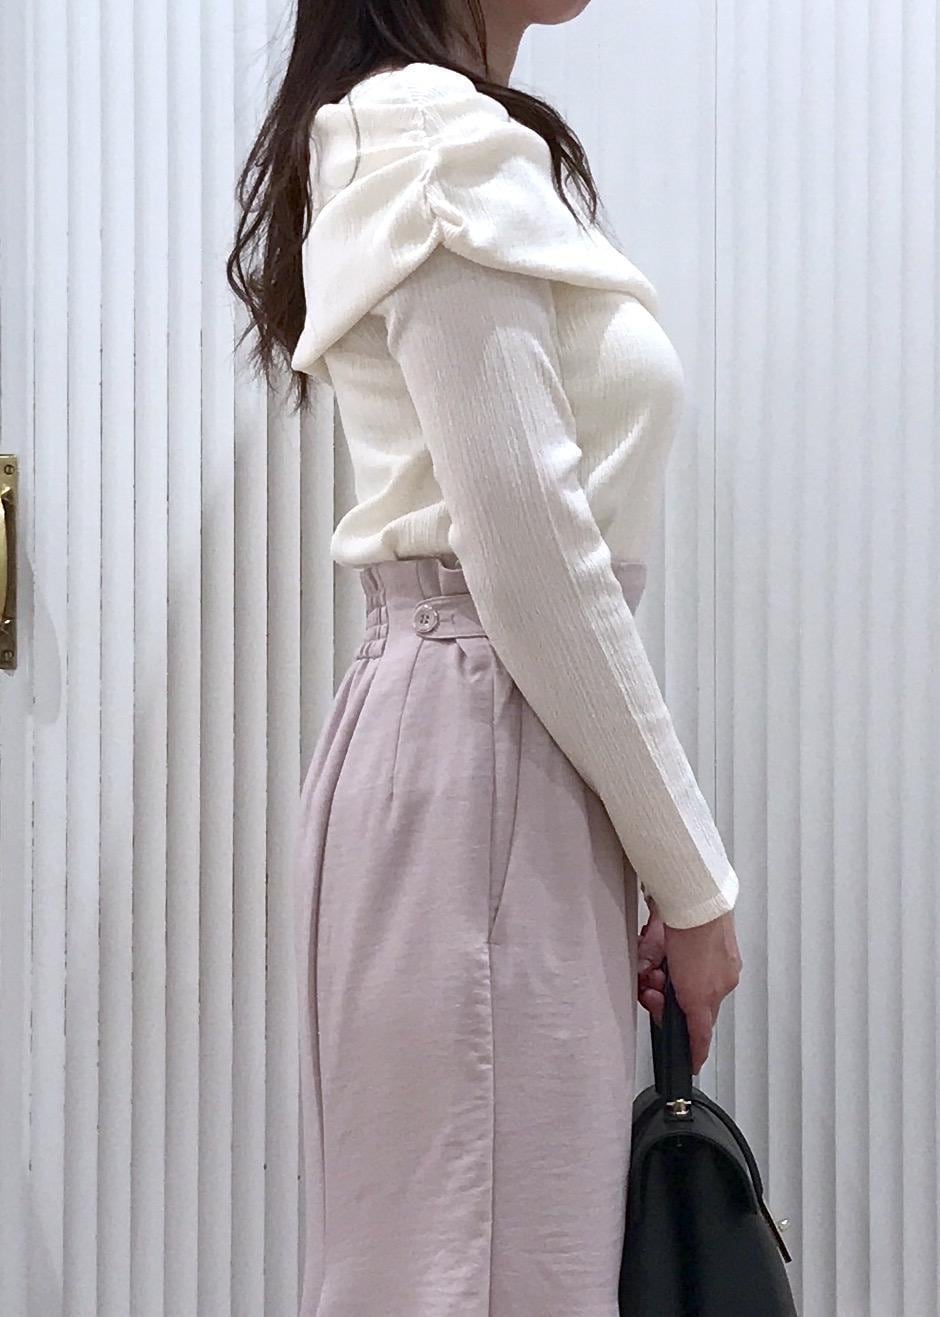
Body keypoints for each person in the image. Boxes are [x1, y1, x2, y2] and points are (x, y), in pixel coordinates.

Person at [227, 2, 743, 1312]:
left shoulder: (447, 134)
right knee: (477, 1268)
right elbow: (532, 558)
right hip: (484, 744)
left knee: (480, 1257)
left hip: (496, 747)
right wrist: (695, 887)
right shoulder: (427, 130)